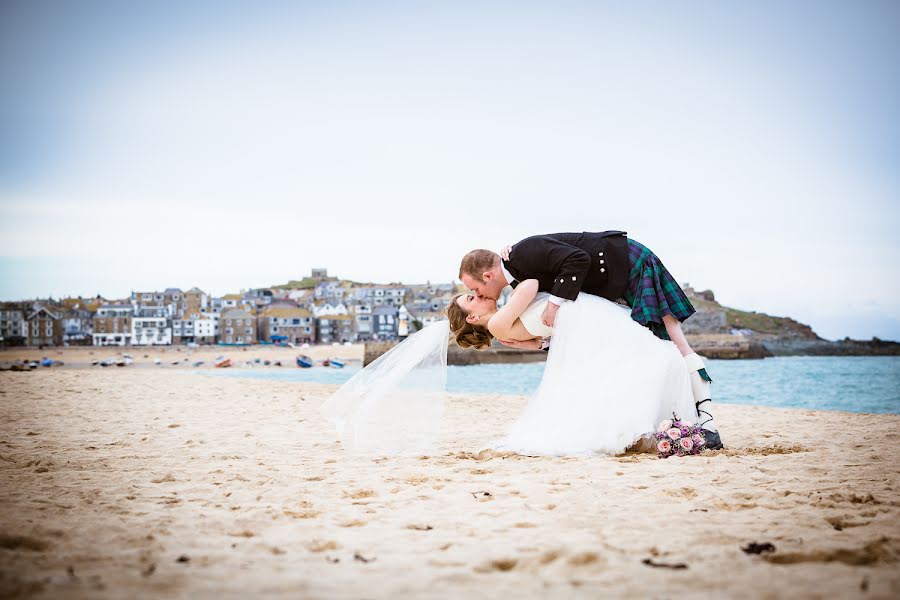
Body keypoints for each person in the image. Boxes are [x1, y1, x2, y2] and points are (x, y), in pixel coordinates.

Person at [458, 231, 722, 449]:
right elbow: (557, 320)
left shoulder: (523, 253)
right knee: (662, 346)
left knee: (675, 341)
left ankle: (707, 423)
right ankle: (689, 421)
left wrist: (553, 303)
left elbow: (577, 259)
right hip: (613, 285)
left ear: (488, 275)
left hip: (627, 263)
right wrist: (539, 342)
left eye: (474, 289)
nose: (478, 294)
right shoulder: (518, 276)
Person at [447, 279, 699, 455]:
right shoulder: (498, 324)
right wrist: (510, 270)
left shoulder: (504, 331)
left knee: (639, 359)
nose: (478, 295)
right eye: (471, 298)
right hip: (583, 317)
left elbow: (540, 344)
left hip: (580, 322)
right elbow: (530, 285)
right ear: (471, 318)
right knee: (648, 354)